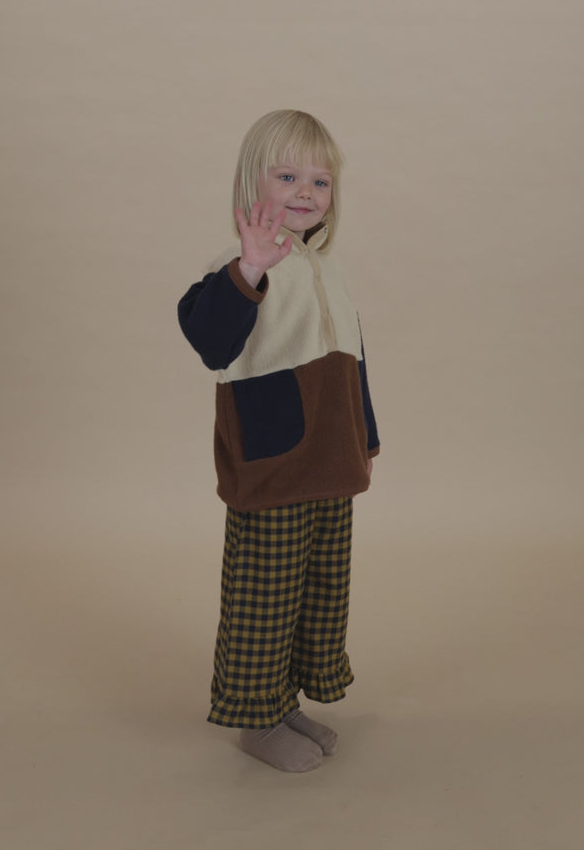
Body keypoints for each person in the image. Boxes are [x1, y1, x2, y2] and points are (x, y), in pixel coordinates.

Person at [178, 109, 379, 772]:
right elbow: (209, 339)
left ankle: (284, 702)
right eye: (287, 175)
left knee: (317, 593)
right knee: (264, 598)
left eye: (319, 181)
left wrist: (365, 437)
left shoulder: (332, 268)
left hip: (331, 463)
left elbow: (354, 361)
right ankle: (254, 720)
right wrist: (250, 270)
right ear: (251, 184)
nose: (304, 192)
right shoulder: (241, 270)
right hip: (273, 465)